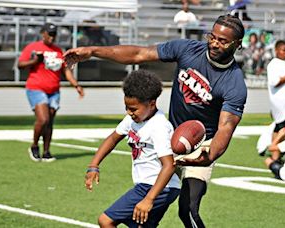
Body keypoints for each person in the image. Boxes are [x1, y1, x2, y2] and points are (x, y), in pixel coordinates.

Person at [64, 14, 247, 228]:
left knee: (188, 209)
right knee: (145, 218)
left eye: (222, 40)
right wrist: (93, 52)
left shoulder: (234, 83)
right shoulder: (188, 49)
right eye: (212, 36)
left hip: (202, 146)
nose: (214, 43)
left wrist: (210, 155)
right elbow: (139, 53)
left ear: (237, 44)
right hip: (170, 139)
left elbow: (226, 126)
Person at [84, 70, 180, 227]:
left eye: (133, 109)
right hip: (155, 186)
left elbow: (169, 166)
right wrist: (93, 166)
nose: (129, 112)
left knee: (106, 220)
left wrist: (149, 199)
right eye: (126, 107)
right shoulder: (132, 120)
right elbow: (113, 138)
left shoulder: (159, 126)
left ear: (151, 104)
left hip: (156, 187)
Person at [18, 23, 84, 162]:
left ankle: (47, 151)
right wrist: (35, 60)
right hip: (36, 88)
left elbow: (66, 71)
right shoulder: (33, 47)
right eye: (50, 34)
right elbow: (20, 65)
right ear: (43, 33)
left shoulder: (59, 51)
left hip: (54, 90)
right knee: (43, 119)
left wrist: (76, 85)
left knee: (50, 122)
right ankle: (34, 146)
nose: (52, 37)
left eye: (54, 34)